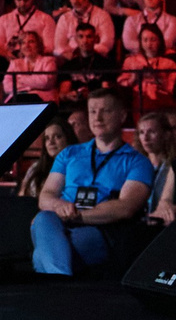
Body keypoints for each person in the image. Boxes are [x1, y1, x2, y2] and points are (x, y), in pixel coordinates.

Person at [29, 86, 153, 276]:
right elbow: (46, 197)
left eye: (106, 111)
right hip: (59, 222)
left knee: (42, 253)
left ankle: (55, 278)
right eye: (93, 111)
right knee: (43, 218)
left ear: (121, 116)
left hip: (102, 230)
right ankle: (61, 281)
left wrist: (77, 215)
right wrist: (60, 206)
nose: (98, 118)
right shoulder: (69, 154)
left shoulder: (137, 162)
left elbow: (125, 208)